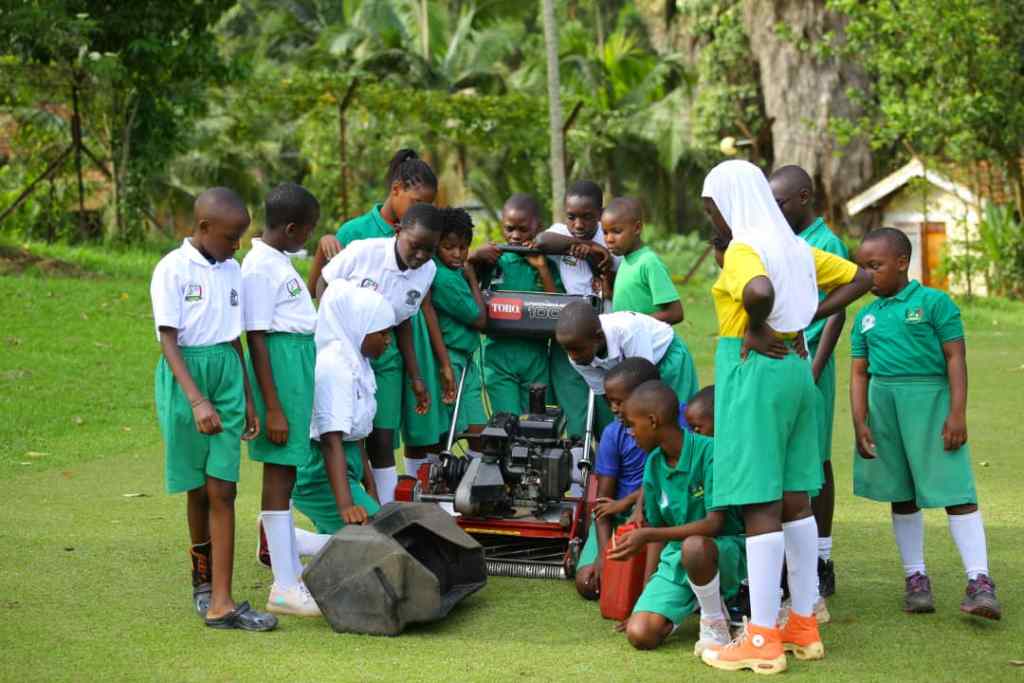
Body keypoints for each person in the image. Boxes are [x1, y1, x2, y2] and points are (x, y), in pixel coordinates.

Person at [698, 160, 871, 674]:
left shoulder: (744, 249)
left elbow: (756, 292)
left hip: (754, 369)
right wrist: (802, 318)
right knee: (796, 498)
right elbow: (861, 276)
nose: (714, 219)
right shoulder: (794, 246)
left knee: (758, 502)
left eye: (712, 208)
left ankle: (760, 635)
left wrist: (757, 325)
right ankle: (802, 622)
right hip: (798, 370)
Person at [851, 228, 1000, 620]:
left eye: (875, 266)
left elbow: (955, 358)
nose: (867, 275)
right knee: (902, 493)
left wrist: (957, 413)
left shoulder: (934, 302)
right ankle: (916, 578)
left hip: (931, 404)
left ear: (902, 262)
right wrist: (859, 421)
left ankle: (980, 580)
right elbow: (859, 373)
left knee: (955, 489)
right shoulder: (865, 317)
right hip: (885, 409)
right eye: (862, 268)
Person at [150, 187, 276, 631]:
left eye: (241, 236)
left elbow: (233, 338)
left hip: (225, 371)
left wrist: (246, 395)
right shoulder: (171, 269)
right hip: (187, 377)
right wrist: (196, 400)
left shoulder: (232, 270)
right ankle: (202, 581)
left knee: (224, 488)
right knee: (197, 489)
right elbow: (168, 341)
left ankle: (222, 602)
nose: (237, 244)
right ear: (203, 228)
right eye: (230, 236)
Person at [307, 149, 453, 495]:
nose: (419, 257)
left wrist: (417, 376)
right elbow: (322, 285)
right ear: (398, 231)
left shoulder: (426, 270)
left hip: (384, 354)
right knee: (343, 431)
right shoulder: (362, 248)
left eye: (428, 251)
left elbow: (402, 319)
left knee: (383, 436)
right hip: (342, 352)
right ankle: (342, 502)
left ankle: (386, 509)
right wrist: (336, 333)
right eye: (415, 247)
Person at [611, 381, 746, 656]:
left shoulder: (710, 451)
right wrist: (646, 596)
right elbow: (658, 531)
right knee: (641, 634)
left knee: (694, 546)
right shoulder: (654, 463)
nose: (630, 433)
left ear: (652, 421)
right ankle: (698, 601)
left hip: (724, 550)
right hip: (677, 558)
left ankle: (715, 622)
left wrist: (648, 535)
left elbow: (714, 523)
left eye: (632, 425)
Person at [241, 183, 320, 617]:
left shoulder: (278, 260)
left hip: (296, 363)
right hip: (281, 367)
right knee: (281, 467)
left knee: (288, 468)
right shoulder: (258, 268)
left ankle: (285, 562)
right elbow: (256, 337)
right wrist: (271, 406)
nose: (308, 238)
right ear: (291, 228)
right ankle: (285, 586)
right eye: (307, 231)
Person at [769, 165, 846, 598]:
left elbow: (839, 309)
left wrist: (815, 369)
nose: (775, 211)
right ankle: (789, 554)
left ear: (803, 197)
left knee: (816, 462)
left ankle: (822, 557)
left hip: (812, 365)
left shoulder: (825, 242)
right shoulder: (784, 242)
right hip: (783, 363)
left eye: (780, 203)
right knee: (791, 460)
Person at [291, 280, 395, 543]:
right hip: (320, 472)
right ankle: (286, 539)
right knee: (376, 538)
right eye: (382, 333)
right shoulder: (333, 367)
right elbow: (330, 441)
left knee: (377, 536)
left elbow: (358, 432)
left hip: (344, 465)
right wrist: (346, 505)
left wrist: (370, 485)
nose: (388, 341)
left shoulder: (358, 362)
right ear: (359, 328)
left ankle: (293, 541)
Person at [534, 180, 618, 440]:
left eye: (587, 217)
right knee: (574, 413)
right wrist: (585, 247)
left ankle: (607, 463)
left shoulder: (612, 237)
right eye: (572, 217)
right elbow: (541, 240)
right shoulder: (562, 233)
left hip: (604, 336)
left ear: (601, 214)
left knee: (609, 413)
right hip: (569, 336)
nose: (578, 225)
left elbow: (617, 285)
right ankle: (576, 466)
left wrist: (600, 253)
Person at [575, 358, 661, 600]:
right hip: (617, 522)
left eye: (619, 402)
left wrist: (631, 502)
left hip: (656, 519)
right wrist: (604, 556)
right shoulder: (613, 434)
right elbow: (604, 505)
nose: (613, 409)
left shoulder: (669, 425)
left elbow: (661, 482)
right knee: (587, 583)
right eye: (609, 401)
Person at [470, 193, 561, 416]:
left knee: (536, 425)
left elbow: (557, 307)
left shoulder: (546, 263)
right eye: (509, 229)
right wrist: (475, 256)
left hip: (535, 357)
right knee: (506, 424)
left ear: (538, 226)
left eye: (523, 229)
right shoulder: (493, 260)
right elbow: (464, 274)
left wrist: (541, 267)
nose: (515, 236)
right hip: (498, 357)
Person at [554, 304, 699, 427]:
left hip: (667, 358)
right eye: (567, 350)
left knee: (677, 419)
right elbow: (605, 392)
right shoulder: (578, 354)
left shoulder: (627, 331)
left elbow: (646, 384)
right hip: (633, 374)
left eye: (577, 350)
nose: (573, 356)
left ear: (598, 337)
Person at [429, 207, 488, 447]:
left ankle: (471, 481)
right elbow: (480, 319)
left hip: (466, 360)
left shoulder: (450, 273)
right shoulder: (444, 279)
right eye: (449, 247)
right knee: (453, 433)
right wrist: (473, 279)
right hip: (450, 360)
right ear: (436, 245)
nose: (457, 254)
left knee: (478, 431)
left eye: (463, 248)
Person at [603, 197, 684, 325]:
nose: (609, 239)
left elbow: (676, 313)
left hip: (652, 343)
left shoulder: (649, 262)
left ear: (637, 228)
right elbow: (634, 303)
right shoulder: (625, 261)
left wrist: (635, 324)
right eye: (605, 232)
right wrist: (610, 294)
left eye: (616, 231)